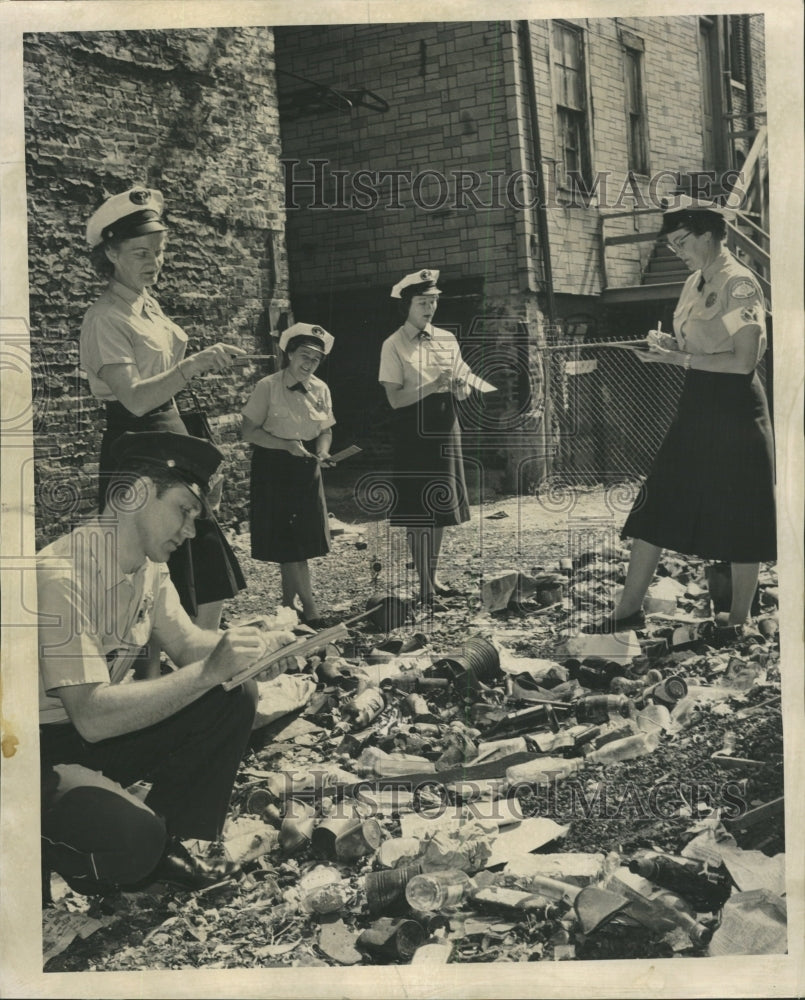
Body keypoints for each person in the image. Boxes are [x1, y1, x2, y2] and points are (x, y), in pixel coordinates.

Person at [38, 431, 295, 896]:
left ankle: (168, 842)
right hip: (32, 754)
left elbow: (188, 643)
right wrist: (209, 670)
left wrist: (254, 649)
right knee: (132, 844)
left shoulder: (148, 567)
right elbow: (92, 717)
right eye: (183, 510)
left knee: (234, 693)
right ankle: (49, 845)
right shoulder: (61, 575)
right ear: (134, 494)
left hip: (89, 736)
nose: (191, 530)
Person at [591, 196, 776, 633]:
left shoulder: (740, 283)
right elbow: (700, 346)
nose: (676, 251)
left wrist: (678, 361)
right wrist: (669, 348)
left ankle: (738, 621)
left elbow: (743, 361)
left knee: (741, 510)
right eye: (672, 244)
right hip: (697, 401)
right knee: (658, 499)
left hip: (735, 407)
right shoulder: (695, 282)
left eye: (681, 241)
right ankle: (626, 612)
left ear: (708, 235)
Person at [79, 185, 246, 632]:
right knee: (153, 565)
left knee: (203, 551)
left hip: (173, 433)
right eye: (140, 253)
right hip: (139, 446)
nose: (153, 262)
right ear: (111, 253)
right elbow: (133, 397)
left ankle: (199, 661)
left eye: (158, 251)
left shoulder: (146, 306)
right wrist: (195, 363)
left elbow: (167, 387)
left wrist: (201, 450)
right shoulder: (105, 317)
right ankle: (165, 673)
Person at [378, 268, 471, 610]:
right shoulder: (393, 345)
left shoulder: (447, 338)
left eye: (433, 301)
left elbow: (462, 389)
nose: (430, 308)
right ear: (407, 306)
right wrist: (433, 385)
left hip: (446, 428)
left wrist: (460, 388)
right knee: (419, 512)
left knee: (441, 508)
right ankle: (423, 587)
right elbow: (394, 399)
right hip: (413, 433)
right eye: (422, 302)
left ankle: (432, 577)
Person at [241, 323, 336, 626]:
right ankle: (310, 608)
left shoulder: (321, 389)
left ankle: (286, 603)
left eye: (316, 360)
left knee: (300, 538)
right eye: (304, 356)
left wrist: (322, 451)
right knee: (289, 541)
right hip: (274, 467)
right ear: (289, 354)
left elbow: (326, 429)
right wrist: (285, 446)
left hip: (306, 466)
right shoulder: (267, 386)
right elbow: (248, 432)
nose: (309, 364)